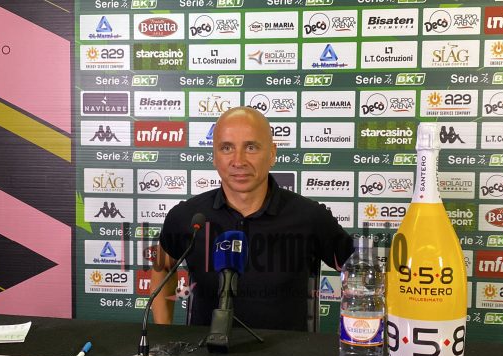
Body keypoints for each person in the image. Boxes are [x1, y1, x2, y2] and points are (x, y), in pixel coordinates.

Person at [151, 106, 353, 331]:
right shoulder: (187, 217)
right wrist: (162, 332)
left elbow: (362, 272)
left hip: (287, 352)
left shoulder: (310, 217)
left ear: (272, 153)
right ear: (214, 156)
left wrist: (359, 334)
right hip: (204, 351)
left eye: (251, 147)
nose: (238, 161)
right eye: (227, 148)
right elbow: (162, 268)